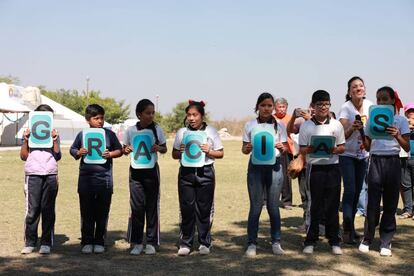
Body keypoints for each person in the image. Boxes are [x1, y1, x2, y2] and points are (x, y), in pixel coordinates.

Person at [359, 86, 410, 256]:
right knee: (372, 201)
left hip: (393, 161)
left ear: (392, 101)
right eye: (378, 99)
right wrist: (363, 131)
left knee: (390, 202)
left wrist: (397, 135)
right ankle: (367, 238)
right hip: (375, 161)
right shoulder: (372, 120)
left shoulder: (400, 120)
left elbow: (407, 146)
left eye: (385, 99)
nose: (381, 102)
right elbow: (367, 147)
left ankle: (386, 241)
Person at [172, 100, 224, 256]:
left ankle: (204, 242)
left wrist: (209, 151)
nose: (192, 118)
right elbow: (174, 154)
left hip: (206, 173)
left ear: (202, 115)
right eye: (189, 115)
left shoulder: (212, 131)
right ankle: (185, 243)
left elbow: (220, 153)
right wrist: (179, 152)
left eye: (195, 115)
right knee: (186, 208)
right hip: (186, 174)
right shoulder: (182, 132)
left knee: (204, 209)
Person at [70, 104, 123, 254]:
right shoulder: (82, 134)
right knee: (86, 211)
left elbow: (119, 150)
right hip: (86, 179)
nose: (100, 121)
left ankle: (99, 240)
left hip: (104, 179)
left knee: (102, 211)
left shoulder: (109, 134)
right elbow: (72, 149)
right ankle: (87, 241)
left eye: (102, 118)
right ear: (88, 120)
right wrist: (78, 152)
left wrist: (111, 154)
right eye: (96, 118)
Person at [299, 90, 345, 255]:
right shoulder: (306, 125)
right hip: (314, 169)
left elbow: (342, 147)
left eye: (326, 104)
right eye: (320, 104)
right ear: (313, 106)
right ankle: (311, 240)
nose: (323, 107)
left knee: (333, 205)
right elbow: (302, 149)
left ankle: (334, 241)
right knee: (314, 205)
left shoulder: (336, 124)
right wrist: (309, 149)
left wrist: (334, 149)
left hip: (333, 168)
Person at [243, 92, 288, 257]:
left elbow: (284, 149)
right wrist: (246, 148)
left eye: (270, 105)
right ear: (257, 107)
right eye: (263, 105)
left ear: (273, 107)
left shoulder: (280, 125)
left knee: (273, 207)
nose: (266, 108)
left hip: (274, 166)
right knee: (255, 206)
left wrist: (282, 147)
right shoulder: (249, 125)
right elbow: (244, 149)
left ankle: (276, 242)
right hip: (255, 167)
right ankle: (252, 243)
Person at [123, 99, 167, 255]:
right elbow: (125, 148)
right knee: (137, 208)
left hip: (152, 172)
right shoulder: (130, 130)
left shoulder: (157, 129)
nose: (151, 116)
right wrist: (126, 150)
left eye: (153, 113)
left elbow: (165, 148)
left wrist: (159, 148)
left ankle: (151, 242)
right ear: (139, 114)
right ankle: (136, 242)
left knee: (152, 207)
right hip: (135, 173)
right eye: (148, 113)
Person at [20, 104, 61, 255]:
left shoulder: (53, 133)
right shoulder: (28, 133)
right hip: (33, 174)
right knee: (32, 210)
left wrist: (55, 140)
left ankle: (46, 243)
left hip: (50, 173)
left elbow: (57, 155)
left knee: (48, 209)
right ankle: (30, 242)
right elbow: (23, 156)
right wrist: (25, 140)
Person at [338, 76, 373, 244]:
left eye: (360, 86)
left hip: (363, 155)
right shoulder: (346, 108)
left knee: (358, 191)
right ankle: (346, 231)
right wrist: (352, 127)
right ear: (349, 91)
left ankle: (351, 230)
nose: (358, 88)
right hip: (347, 155)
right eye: (354, 86)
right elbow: (342, 136)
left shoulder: (370, 106)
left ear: (364, 89)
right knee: (350, 190)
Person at [274, 98, 294, 209]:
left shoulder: (291, 118)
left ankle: (287, 201)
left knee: (286, 177)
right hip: (273, 152)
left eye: (284, 107)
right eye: (279, 107)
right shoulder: (271, 118)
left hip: (287, 151)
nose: (282, 109)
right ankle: (269, 200)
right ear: (275, 108)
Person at [399, 103, 414, 219]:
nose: (411, 114)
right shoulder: (403, 124)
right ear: (405, 113)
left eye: (413, 112)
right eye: (409, 112)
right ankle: (408, 210)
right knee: (406, 185)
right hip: (405, 158)